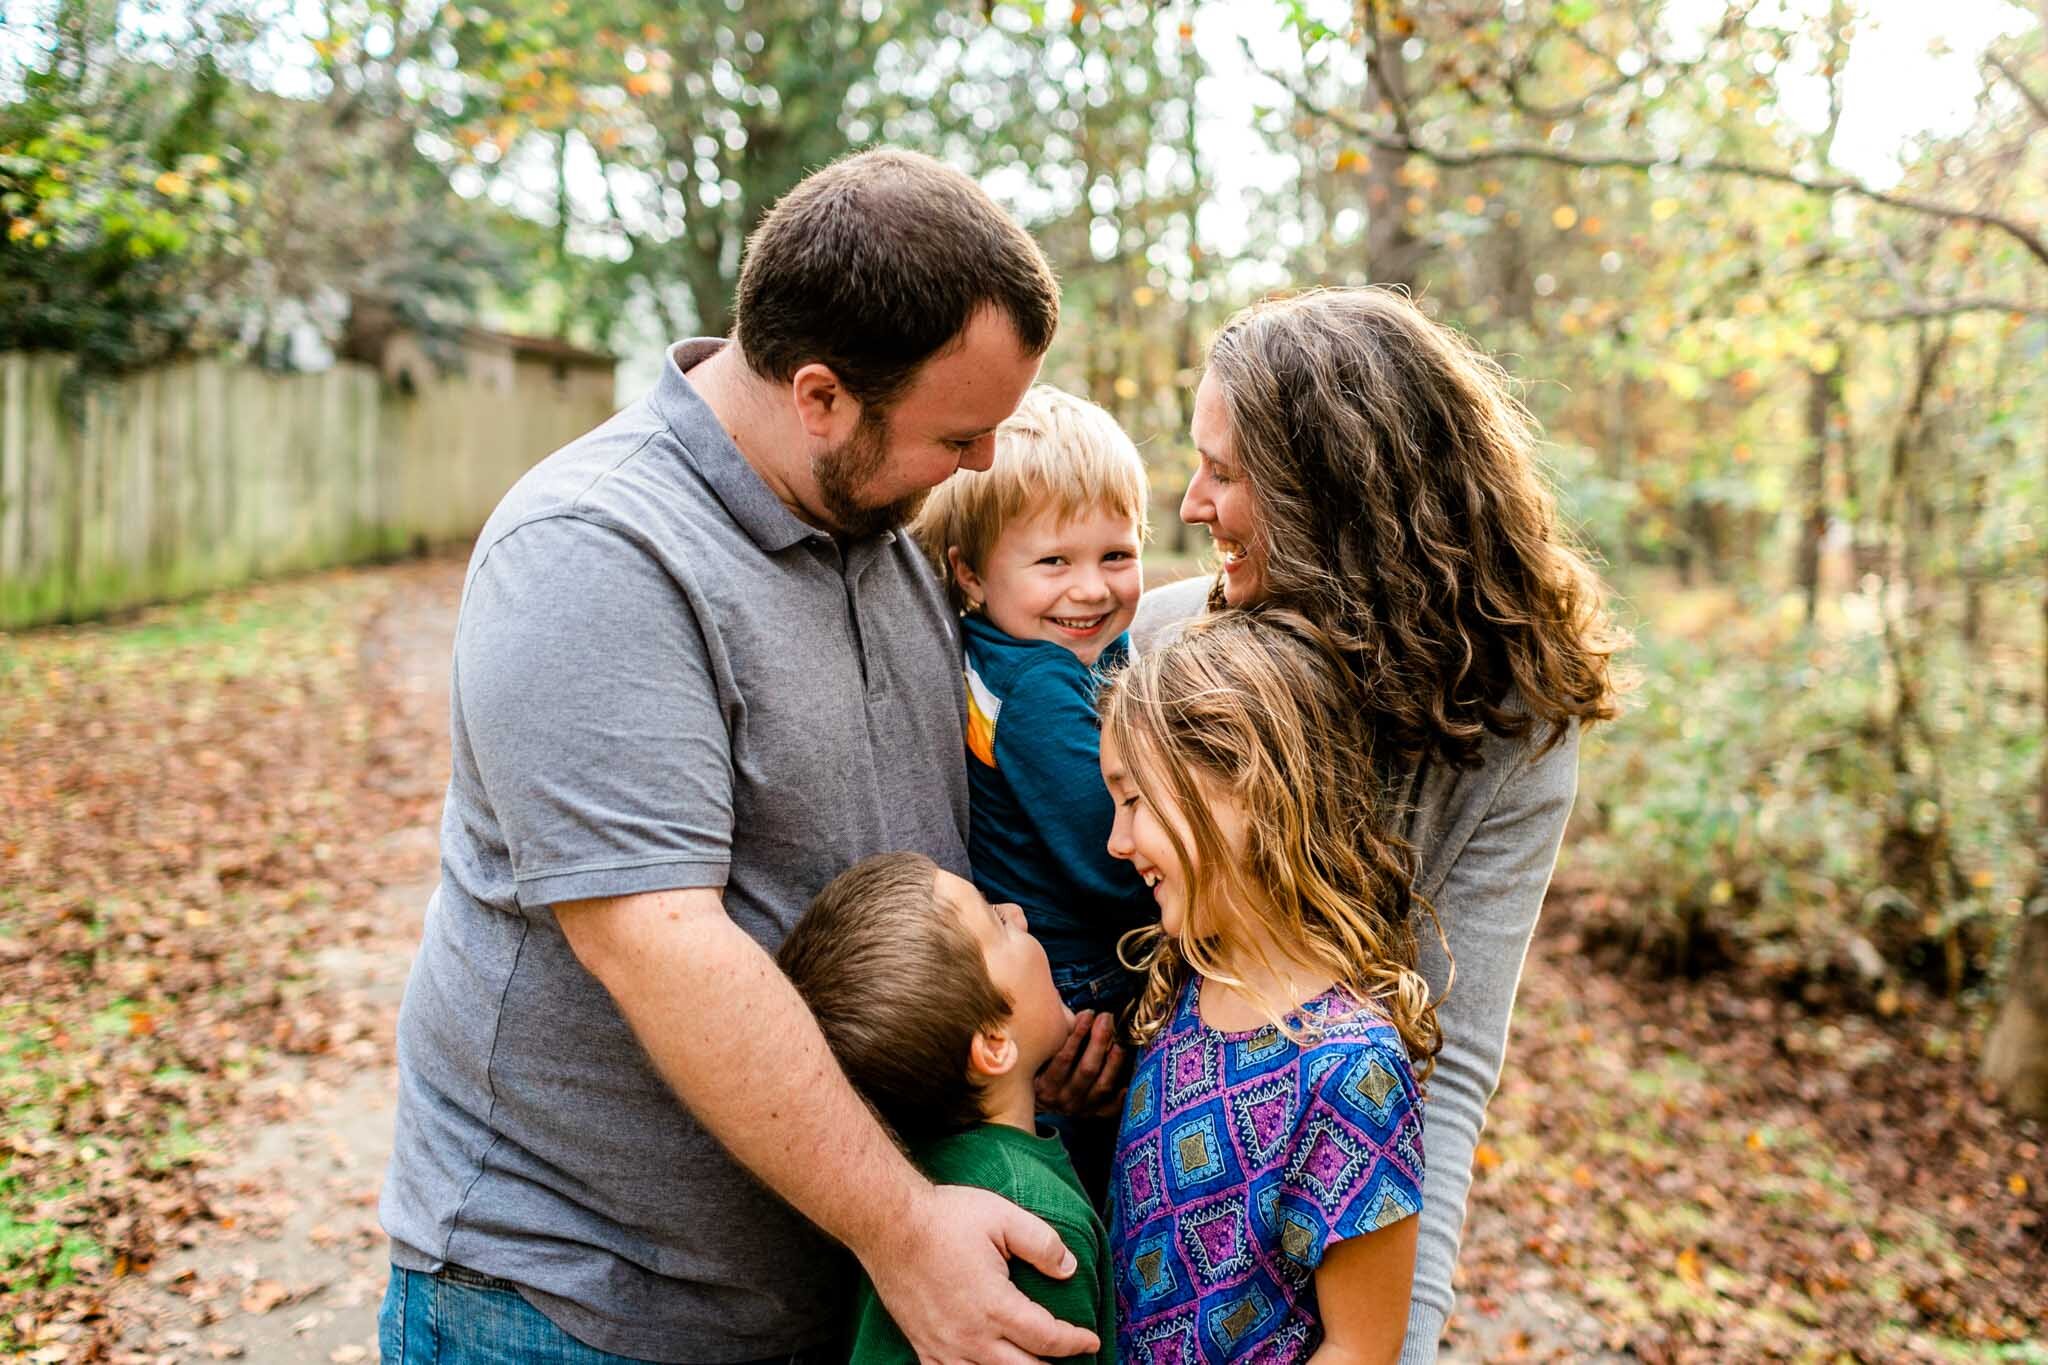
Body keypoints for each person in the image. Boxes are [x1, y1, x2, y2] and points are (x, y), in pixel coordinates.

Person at [377, 147, 1103, 1365]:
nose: (981, 464)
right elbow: (660, 944)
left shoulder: (874, 517)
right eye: (958, 433)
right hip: (573, 1304)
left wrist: (1012, 1034)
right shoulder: (596, 549)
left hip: (822, 1282)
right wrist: (901, 1226)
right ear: (818, 395)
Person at [1123, 286, 1624, 1363]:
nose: (1188, 503)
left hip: (1314, 1230)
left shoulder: (1512, 725)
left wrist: (1402, 1342)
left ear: (1328, 496)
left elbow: (1444, 1061)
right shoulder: (1165, 645)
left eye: (1222, 471)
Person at [1097, 609, 1438, 1364]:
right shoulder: (1184, 983)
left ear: (1242, 784)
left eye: (1134, 800)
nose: (1117, 842)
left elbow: (1361, 1347)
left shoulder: (1352, 1068)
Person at [777, 852, 1116, 1365]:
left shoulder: (918, 1172)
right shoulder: (1029, 1226)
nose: (1018, 915)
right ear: (995, 1044)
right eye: (998, 924)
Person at [911, 386, 1154, 1019]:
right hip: (1086, 973)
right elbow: (1112, 862)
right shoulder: (1035, 685)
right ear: (970, 575)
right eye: (1054, 561)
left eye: (1117, 555)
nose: (1091, 589)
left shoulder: (1034, 642)